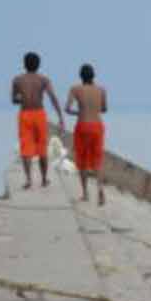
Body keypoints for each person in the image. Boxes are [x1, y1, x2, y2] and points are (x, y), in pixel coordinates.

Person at [11, 52, 65, 190]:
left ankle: (28, 179)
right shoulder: (43, 79)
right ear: (38, 64)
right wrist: (60, 116)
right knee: (42, 148)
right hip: (39, 114)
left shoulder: (17, 80)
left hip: (25, 114)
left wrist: (22, 98)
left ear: (24, 64)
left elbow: (14, 100)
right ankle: (44, 179)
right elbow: (52, 97)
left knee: (26, 148)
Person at [66, 64, 108, 205]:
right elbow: (104, 109)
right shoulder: (101, 90)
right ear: (93, 76)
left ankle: (85, 193)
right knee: (97, 161)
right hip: (97, 126)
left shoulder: (75, 89)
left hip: (83, 125)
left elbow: (67, 108)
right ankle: (100, 189)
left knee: (82, 160)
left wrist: (79, 112)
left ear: (80, 76)